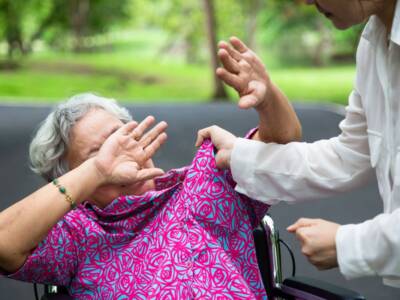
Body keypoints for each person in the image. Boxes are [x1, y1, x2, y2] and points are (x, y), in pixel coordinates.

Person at [0, 92, 300, 298]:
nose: (122, 155)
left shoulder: (204, 181)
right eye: (97, 153)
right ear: (74, 182)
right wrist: (98, 169)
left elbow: (282, 142)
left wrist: (268, 97)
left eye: (123, 138)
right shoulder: (78, 235)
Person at [196, 0, 400, 288]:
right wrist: (240, 154)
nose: (305, 2)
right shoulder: (374, 42)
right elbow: (348, 157)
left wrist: (348, 244)